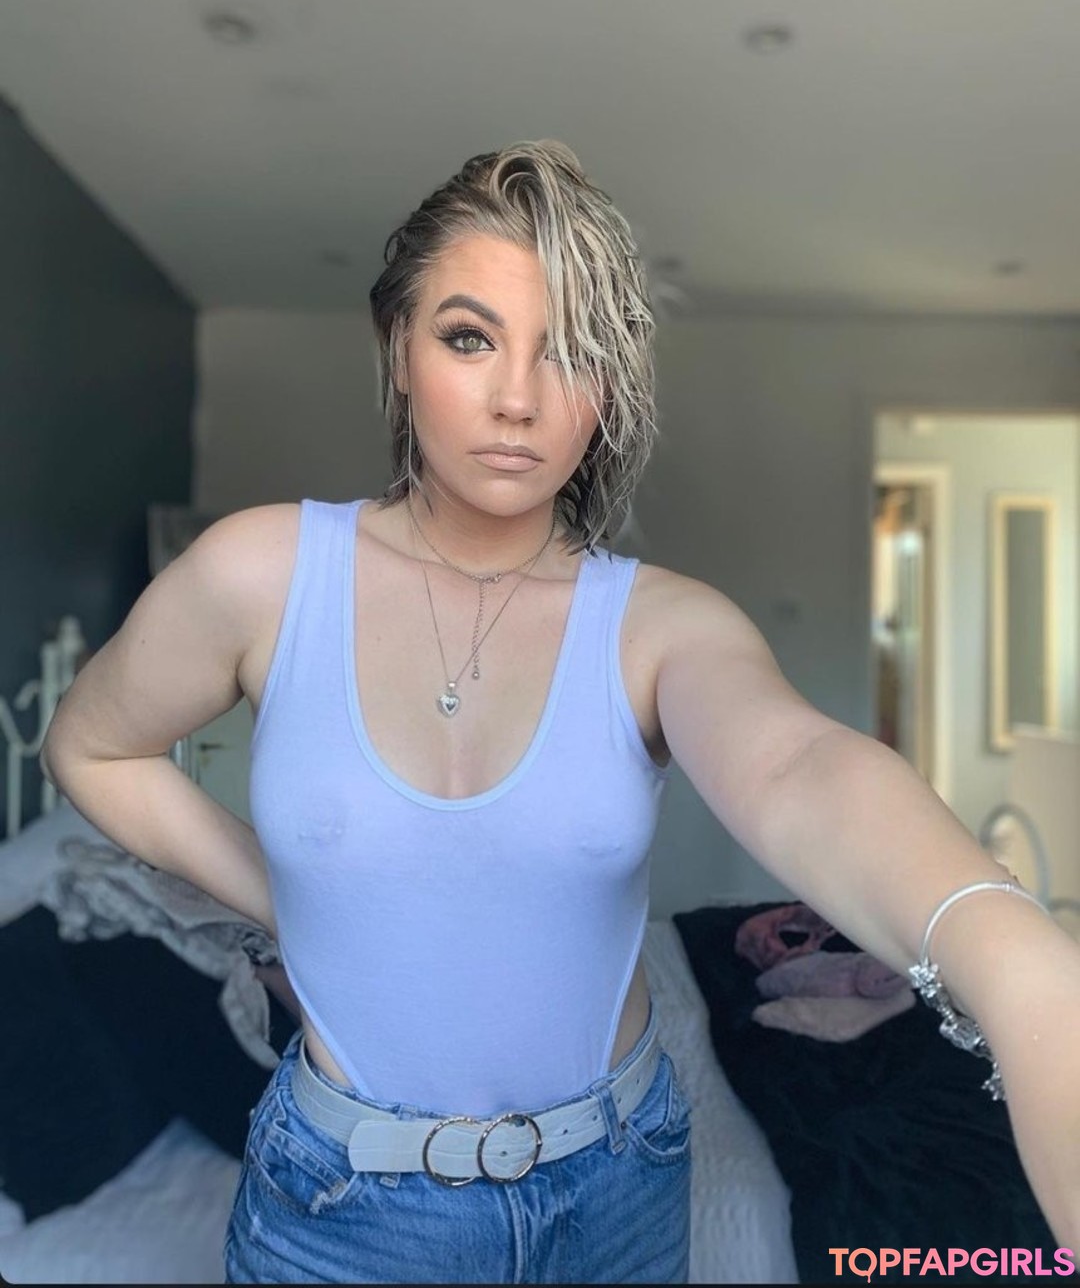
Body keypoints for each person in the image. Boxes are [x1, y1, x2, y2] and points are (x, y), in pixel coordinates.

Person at [42, 140, 1080, 1284]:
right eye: (469, 337)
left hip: (618, 1184)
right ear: (399, 349)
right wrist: (288, 899)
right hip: (337, 1209)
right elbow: (93, 748)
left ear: (609, 390)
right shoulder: (263, 571)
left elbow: (797, 767)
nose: (519, 399)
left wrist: (1005, 950)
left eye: (571, 352)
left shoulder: (663, 625)